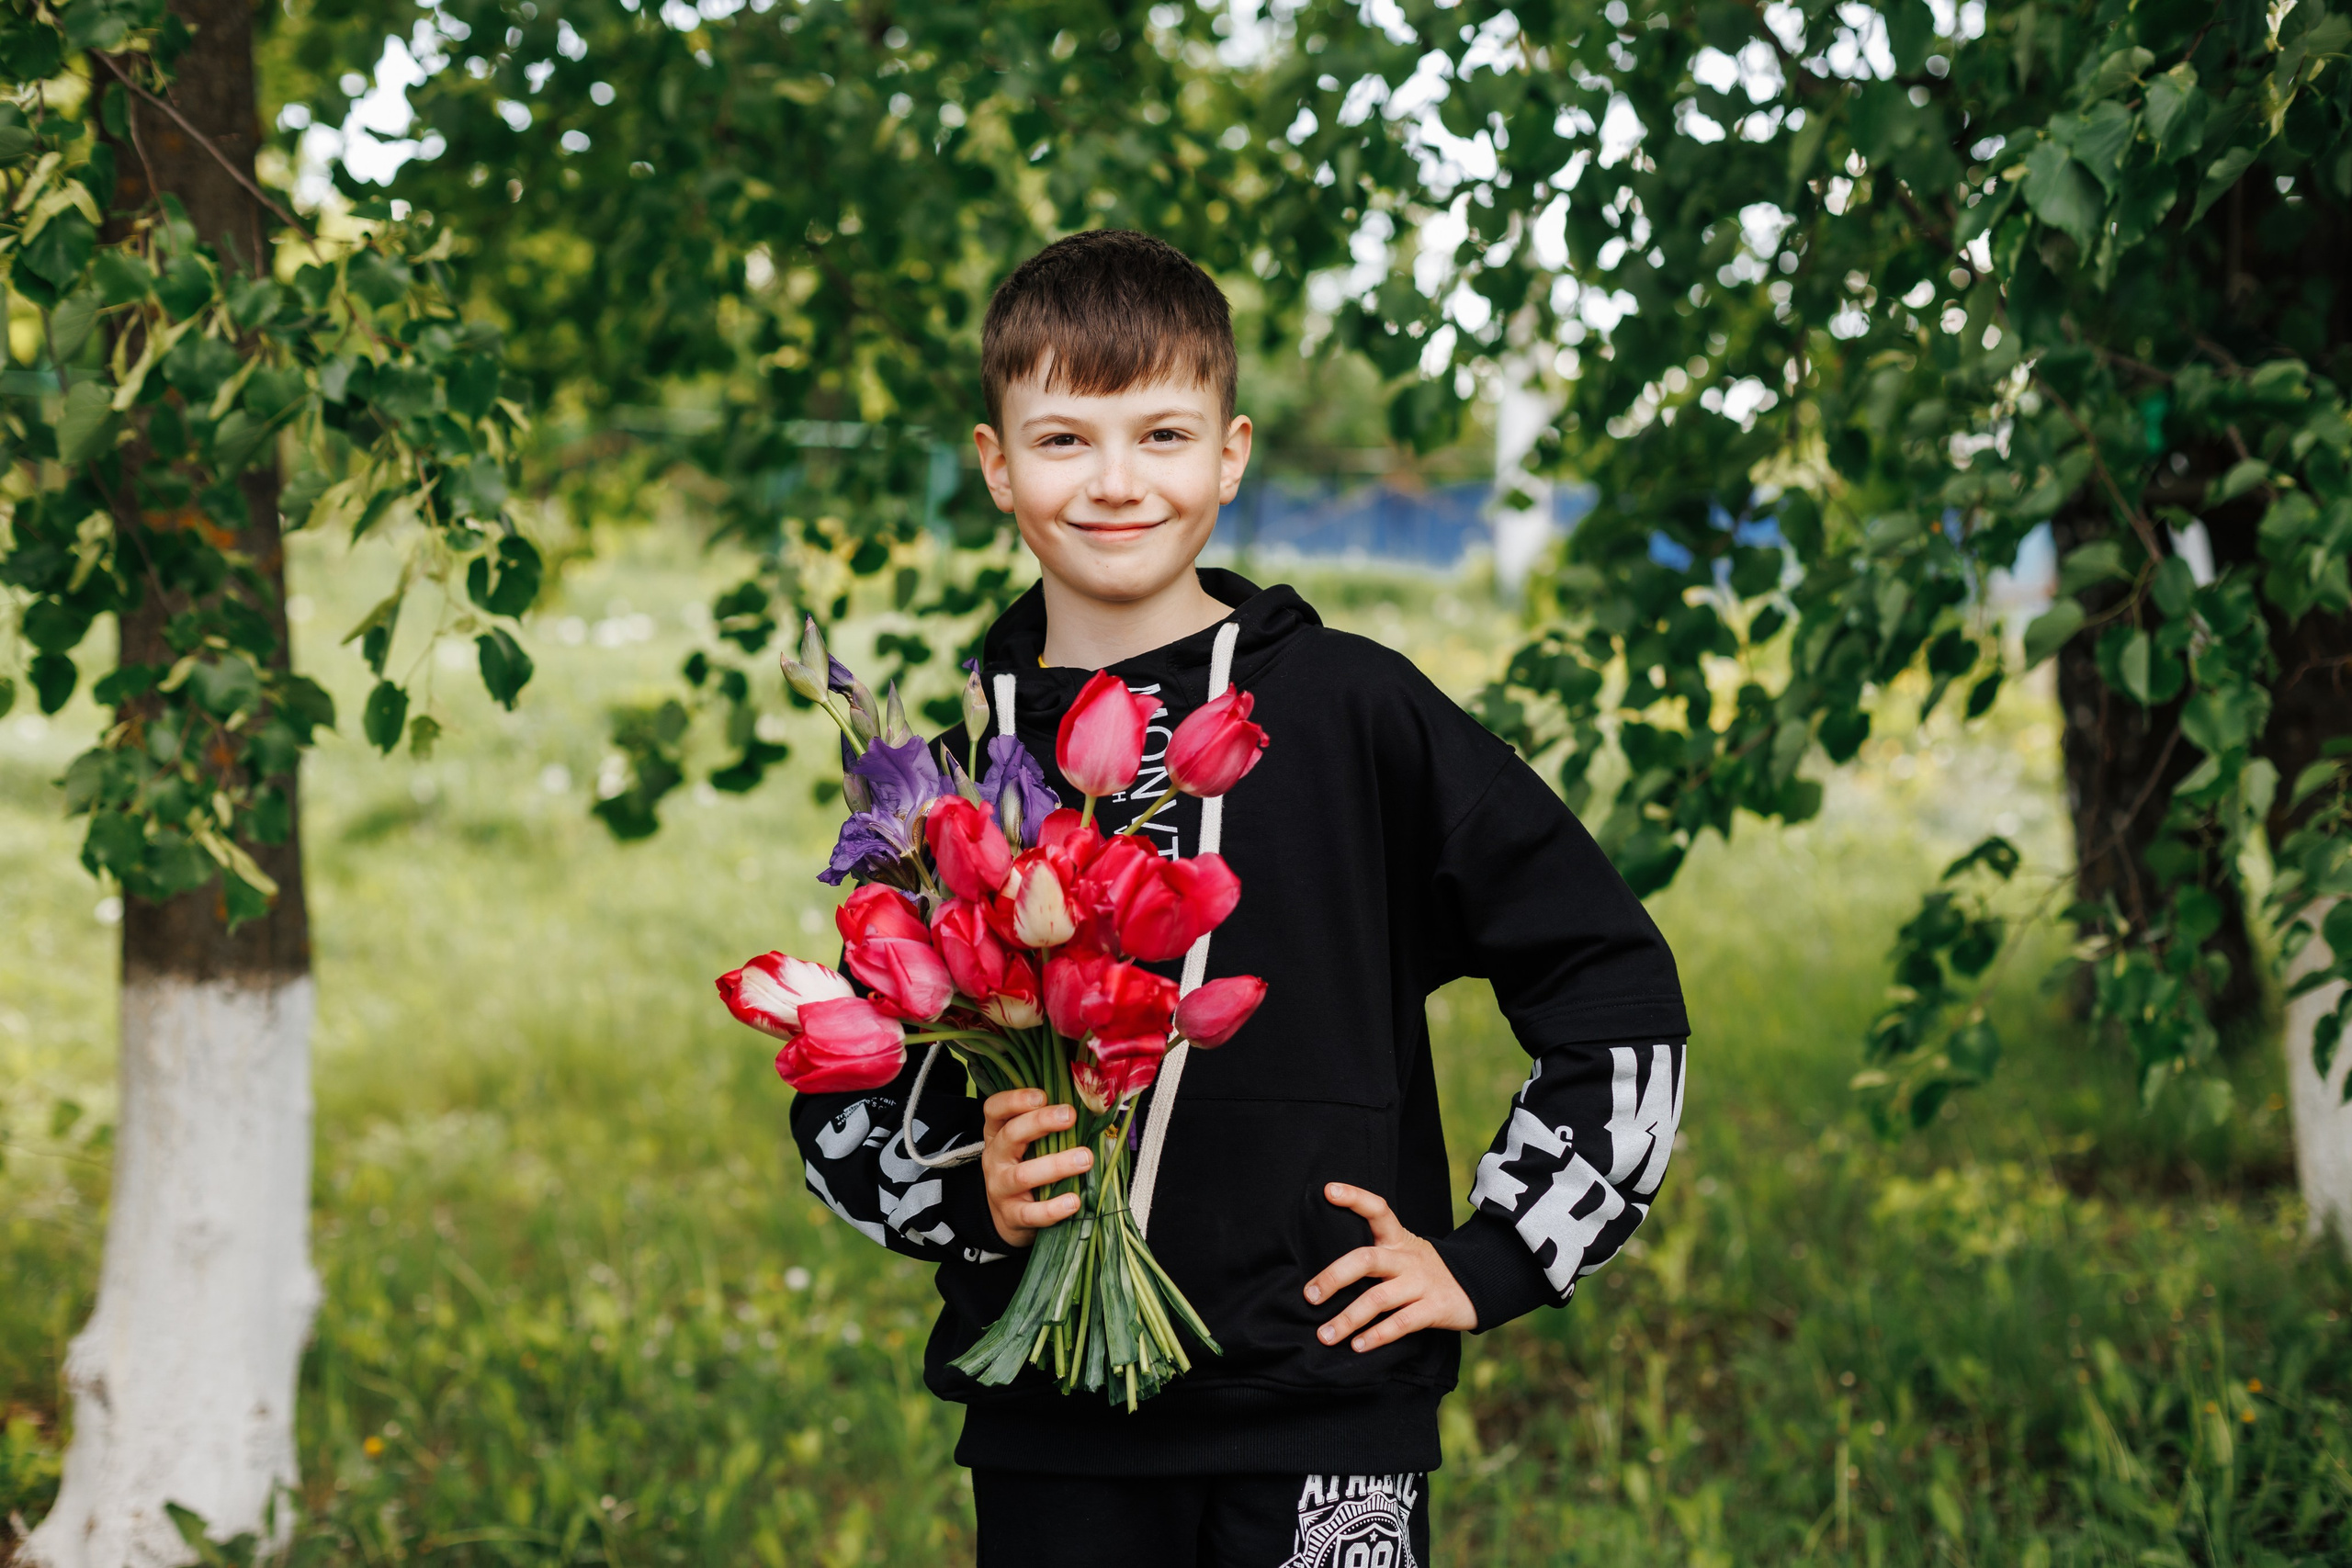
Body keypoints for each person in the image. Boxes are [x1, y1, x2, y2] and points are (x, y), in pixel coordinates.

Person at [789, 230, 1688, 1568]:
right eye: (1063, 440)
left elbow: (1611, 984)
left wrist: (1499, 1254)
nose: (1115, 482)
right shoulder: (961, 774)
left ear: (1231, 453)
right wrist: (973, 1193)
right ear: (996, 464)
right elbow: (847, 1072)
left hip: (1326, 1414)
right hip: (1052, 1435)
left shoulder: (1350, 710)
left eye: (1162, 435)